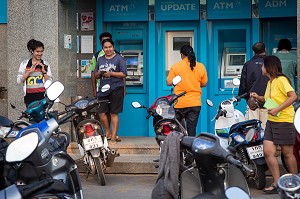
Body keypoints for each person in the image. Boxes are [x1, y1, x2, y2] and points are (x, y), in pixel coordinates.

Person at [251, 55, 297, 194]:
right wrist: (258, 97)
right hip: (272, 121)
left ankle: (294, 183)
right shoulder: (270, 82)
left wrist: (277, 109)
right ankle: (277, 183)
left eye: (263, 65)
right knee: (268, 152)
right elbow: (268, 98)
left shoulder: (281, 80)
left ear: (269, 67)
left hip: (284, 120)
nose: (261, 68)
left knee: (287, 154)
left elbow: (293, 96)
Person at [166, 45, 208, 136]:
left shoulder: (176, 66)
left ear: (182, 54)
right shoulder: (200, 66)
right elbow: (204, 83)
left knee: (178, 130)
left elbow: (169, 82)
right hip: (195, 103)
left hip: (180, 103)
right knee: (191, 130)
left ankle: (179, 148)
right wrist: (195, 83)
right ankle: (190, 149)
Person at [94, 39, 127, 143]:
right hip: (103, 89)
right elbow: (95, 75)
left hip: (116, 88)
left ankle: (113, 136)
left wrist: (111, 74)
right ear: (103, 49)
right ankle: (107, 131)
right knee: (101, 113)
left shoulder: (119, 59)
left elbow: (124, 74)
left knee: (114, 113)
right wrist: (99, 73)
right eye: (105, 47)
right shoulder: (100, 59)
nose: (108, 49)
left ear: (113, 47)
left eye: (110, 47)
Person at [238, 42, 269, 129]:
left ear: (254, 52)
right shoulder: (271, 64)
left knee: (252, 129)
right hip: (268, 101)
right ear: (265, 50)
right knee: (266, 129)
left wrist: (243, 96)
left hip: (252, 101)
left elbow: (243, 83)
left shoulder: (248, 64)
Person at [17, 39, 52, 107]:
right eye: (37, 51)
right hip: (29, 98)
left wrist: (44, 73)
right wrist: (29, 72)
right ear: (32, 51)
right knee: (32, 117)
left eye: (41, 51)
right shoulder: (25, 64)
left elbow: (49, 83)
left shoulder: (45, 64)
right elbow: (18, 80)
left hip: (42, 98)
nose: (39, 54)